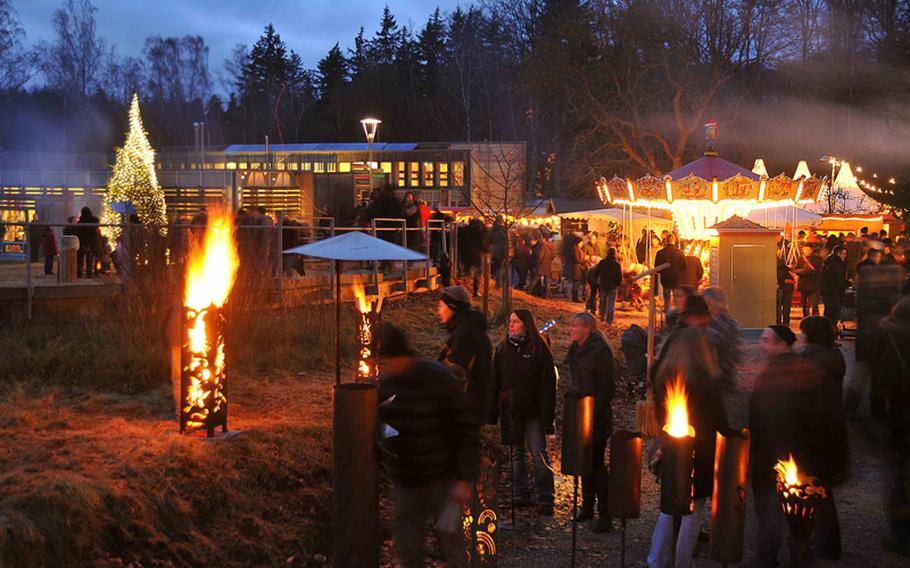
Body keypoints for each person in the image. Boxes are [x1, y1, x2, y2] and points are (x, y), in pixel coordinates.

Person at [378, 324, 478, 568]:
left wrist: (463, 478)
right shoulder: (387, 387)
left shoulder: (437, 378)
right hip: (407, 480)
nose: (386, 367)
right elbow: (384, 429)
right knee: (409, 547)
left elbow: (464, 427)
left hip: (443, 479)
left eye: (388, 361)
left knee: (451, 543)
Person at [647, 327, 727, 568]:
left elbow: (661, 413)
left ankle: (657, 559)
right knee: (694, 508)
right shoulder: (706, 378)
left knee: (670, 505)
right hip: (701, 450)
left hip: (673, 447)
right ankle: (682, 561)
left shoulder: (663, 375)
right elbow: (719, 419)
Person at [749, 325, 823, 568]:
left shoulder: (781, 375)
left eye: (767, 340)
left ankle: (767, 560)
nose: (762, 344)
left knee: (773, 514)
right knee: (796, 517)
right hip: (796, 456)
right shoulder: (801, 370)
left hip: (779, 457)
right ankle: (799, 559)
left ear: (782, 344)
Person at [489, 309, 557, 516]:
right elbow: (495, 380)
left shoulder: (539, 350)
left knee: (538, 453)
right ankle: (520, 494)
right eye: (510, 321)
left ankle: (545, 496)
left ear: (526, 324)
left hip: (533, 411)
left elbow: (548, 384)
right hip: (511, 411)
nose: (511, 325)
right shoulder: (503, 349)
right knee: (515, 454)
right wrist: (494, 407)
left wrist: (547, 416)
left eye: (516, 322)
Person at [798, 316, 848, 560]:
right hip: (829, 434)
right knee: (821, 491)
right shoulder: (827, 358)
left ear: (812, 338)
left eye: (802, 333)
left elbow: (807, 398)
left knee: (819, 491)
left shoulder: (816, 364)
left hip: (820, 436)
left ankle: (825, 546)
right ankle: (825, 544)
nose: (799, 337)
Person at [564, 312, 615, 532]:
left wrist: (595, 410)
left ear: (588, 329)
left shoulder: (600, 352)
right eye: (572, 326)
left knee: (595, 464)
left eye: (576, 326)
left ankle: (605, 513)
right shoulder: (575, 349)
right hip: (579, 414)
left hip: (596, 417)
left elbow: (607, 387)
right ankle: (587, 506)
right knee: (583, 461)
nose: (571, 330)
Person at [877, 297, 910, 554]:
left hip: (902, 419)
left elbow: (883, 382)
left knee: (900, 480)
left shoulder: (892, 341)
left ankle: (902, 537)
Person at [437, 286, 494, 423]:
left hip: (463, 412)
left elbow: (455, 374)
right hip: (467, 409)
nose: (438, 312)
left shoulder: (465, 334)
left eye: (441, 307)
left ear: (453, 307)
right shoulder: (467, 330)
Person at [703, 286, 741, 392]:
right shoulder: (702, 319)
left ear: (717, 303)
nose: (705, 305)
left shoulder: (729, 324)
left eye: (708, 302)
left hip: (720, 374)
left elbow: (733, 353)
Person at [654, 234, 686, 317]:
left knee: (667, 299)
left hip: (666, 279)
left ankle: (668, 317)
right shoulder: (680, 253)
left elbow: (657, 267)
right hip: (677, 279)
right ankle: (677, 315)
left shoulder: (660, 253)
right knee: (677, 299)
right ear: (674, 241)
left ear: (666, 241)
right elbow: (684, 266)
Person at [820, 245, 849, 326]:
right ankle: (830, 329)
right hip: (834, 292)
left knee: (828, 312)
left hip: (828, 291)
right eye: (844, 254)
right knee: (833, 312)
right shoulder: (836, 264)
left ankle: (827, 328)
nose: (845, 256)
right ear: (838, 254)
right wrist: (847, 283)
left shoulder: (829, 261)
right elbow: (839, 279)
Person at [594, 248, 623, 323]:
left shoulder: (602, 262)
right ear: (614, 254)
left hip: (603, 285)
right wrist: (617, 284)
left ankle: (602, 316)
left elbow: (596, 272)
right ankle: (609, 320)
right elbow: (619, 276)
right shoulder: (616, 264)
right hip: (613, 286)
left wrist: (598, 282)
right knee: (611, 303)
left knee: (603, 301)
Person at [795, 245, 823, 317]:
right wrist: (803, 271)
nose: (807, 251)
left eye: (808, 249)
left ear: (811, 250)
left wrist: (807, 271)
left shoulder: (817, 259)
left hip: (814, 284)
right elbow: (795, 269)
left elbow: (818, 269)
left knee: (814, 303)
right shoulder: (800, 259)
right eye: (805, 250)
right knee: (804, 303)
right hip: (803, 284)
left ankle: (815, 317)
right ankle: (805, 315)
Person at [76, 206, 101, 278]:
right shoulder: (94, 221)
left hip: (82, 241)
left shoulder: (80, 222)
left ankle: (79, 273)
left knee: (80, 259)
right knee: (90, 258)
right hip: (92, 241)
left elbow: (78, 232)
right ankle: (89, 273)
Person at [777, 253, 796, 324]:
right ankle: (786, 321)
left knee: (778, 306)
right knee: (786, 306)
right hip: (788, 288)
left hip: (780, 288)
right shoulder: (787, 269)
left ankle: (778, 321)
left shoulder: (774, 268)